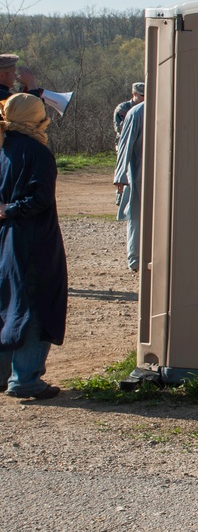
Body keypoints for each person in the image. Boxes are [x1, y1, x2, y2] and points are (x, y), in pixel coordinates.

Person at [0, 94, 68, 400]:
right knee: (36, 301)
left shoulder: (5, 147)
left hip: (7, 238)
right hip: (34, 238)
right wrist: (12, 209)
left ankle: (5, 374)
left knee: (9, 301)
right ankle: (25, 378)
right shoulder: (37, 152)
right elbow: (40, 199)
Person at [113, 100, 144, 272]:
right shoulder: (136, 112)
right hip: (138, 172)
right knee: (136, 214)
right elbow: (125, 144)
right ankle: (135, 259)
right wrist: (120, 175)